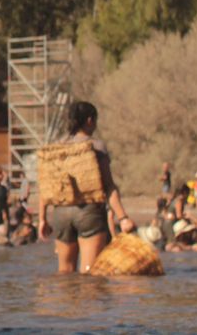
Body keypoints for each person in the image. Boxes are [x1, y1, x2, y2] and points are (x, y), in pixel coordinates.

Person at [40, 101, 135, 274]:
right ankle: (88, 293)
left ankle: (66, 293)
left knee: (65, 271)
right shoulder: (96, 146)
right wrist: (123, 218)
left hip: (61, 213)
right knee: (89, 273)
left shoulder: (57, 147)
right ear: (90, 120)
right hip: (89, 212)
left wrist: (42, 219)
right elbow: (109, 186)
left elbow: (46, 187)